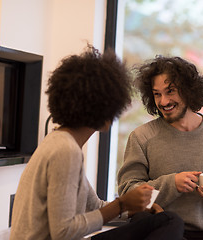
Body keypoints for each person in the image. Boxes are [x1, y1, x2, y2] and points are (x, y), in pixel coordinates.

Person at [10, 46, 184, 240]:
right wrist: (122, 204)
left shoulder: (59, 141)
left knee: (160, 220)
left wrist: (134, 207)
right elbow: (63, 232)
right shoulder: (65, 151)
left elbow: (94, 207)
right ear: (106, 111)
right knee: (171, 222)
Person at [117, 56, 203, 240]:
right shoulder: (142, 137)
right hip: (162, 232)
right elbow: (128, 194)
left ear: (188, 91)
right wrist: (171, 184)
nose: (163, 101)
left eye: (170, 92)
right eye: (157, 94)